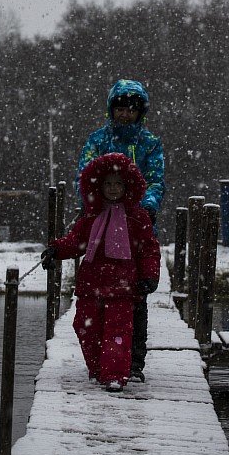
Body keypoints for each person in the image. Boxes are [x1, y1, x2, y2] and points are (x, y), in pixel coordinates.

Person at [41, 153, 160, 392]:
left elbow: (149, 249)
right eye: (108, 184)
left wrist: (149, 276)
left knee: (118, 330)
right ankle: (97, 368)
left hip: (124, 285)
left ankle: (115, 374)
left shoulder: (138, 216)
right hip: (91, 283)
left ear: (127, 186)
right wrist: (56, 250)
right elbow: (77, 241)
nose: (113, 189)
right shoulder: (92, 215)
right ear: (99, 186)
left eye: (118, 184)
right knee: (85, 326)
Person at [75, 79, 165, 382]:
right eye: (120, 108)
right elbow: (84, 175)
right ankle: (103, 359)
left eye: (131, 108)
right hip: (102, 224)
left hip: (136, 226)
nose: (125, 113)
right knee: (99, 299)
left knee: (134, 297)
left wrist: (146, 208)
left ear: (140, 112)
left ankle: (134, 362)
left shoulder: (150, 143)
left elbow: (156, 179)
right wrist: (93, 206)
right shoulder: (98, 140)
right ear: (112, 109)